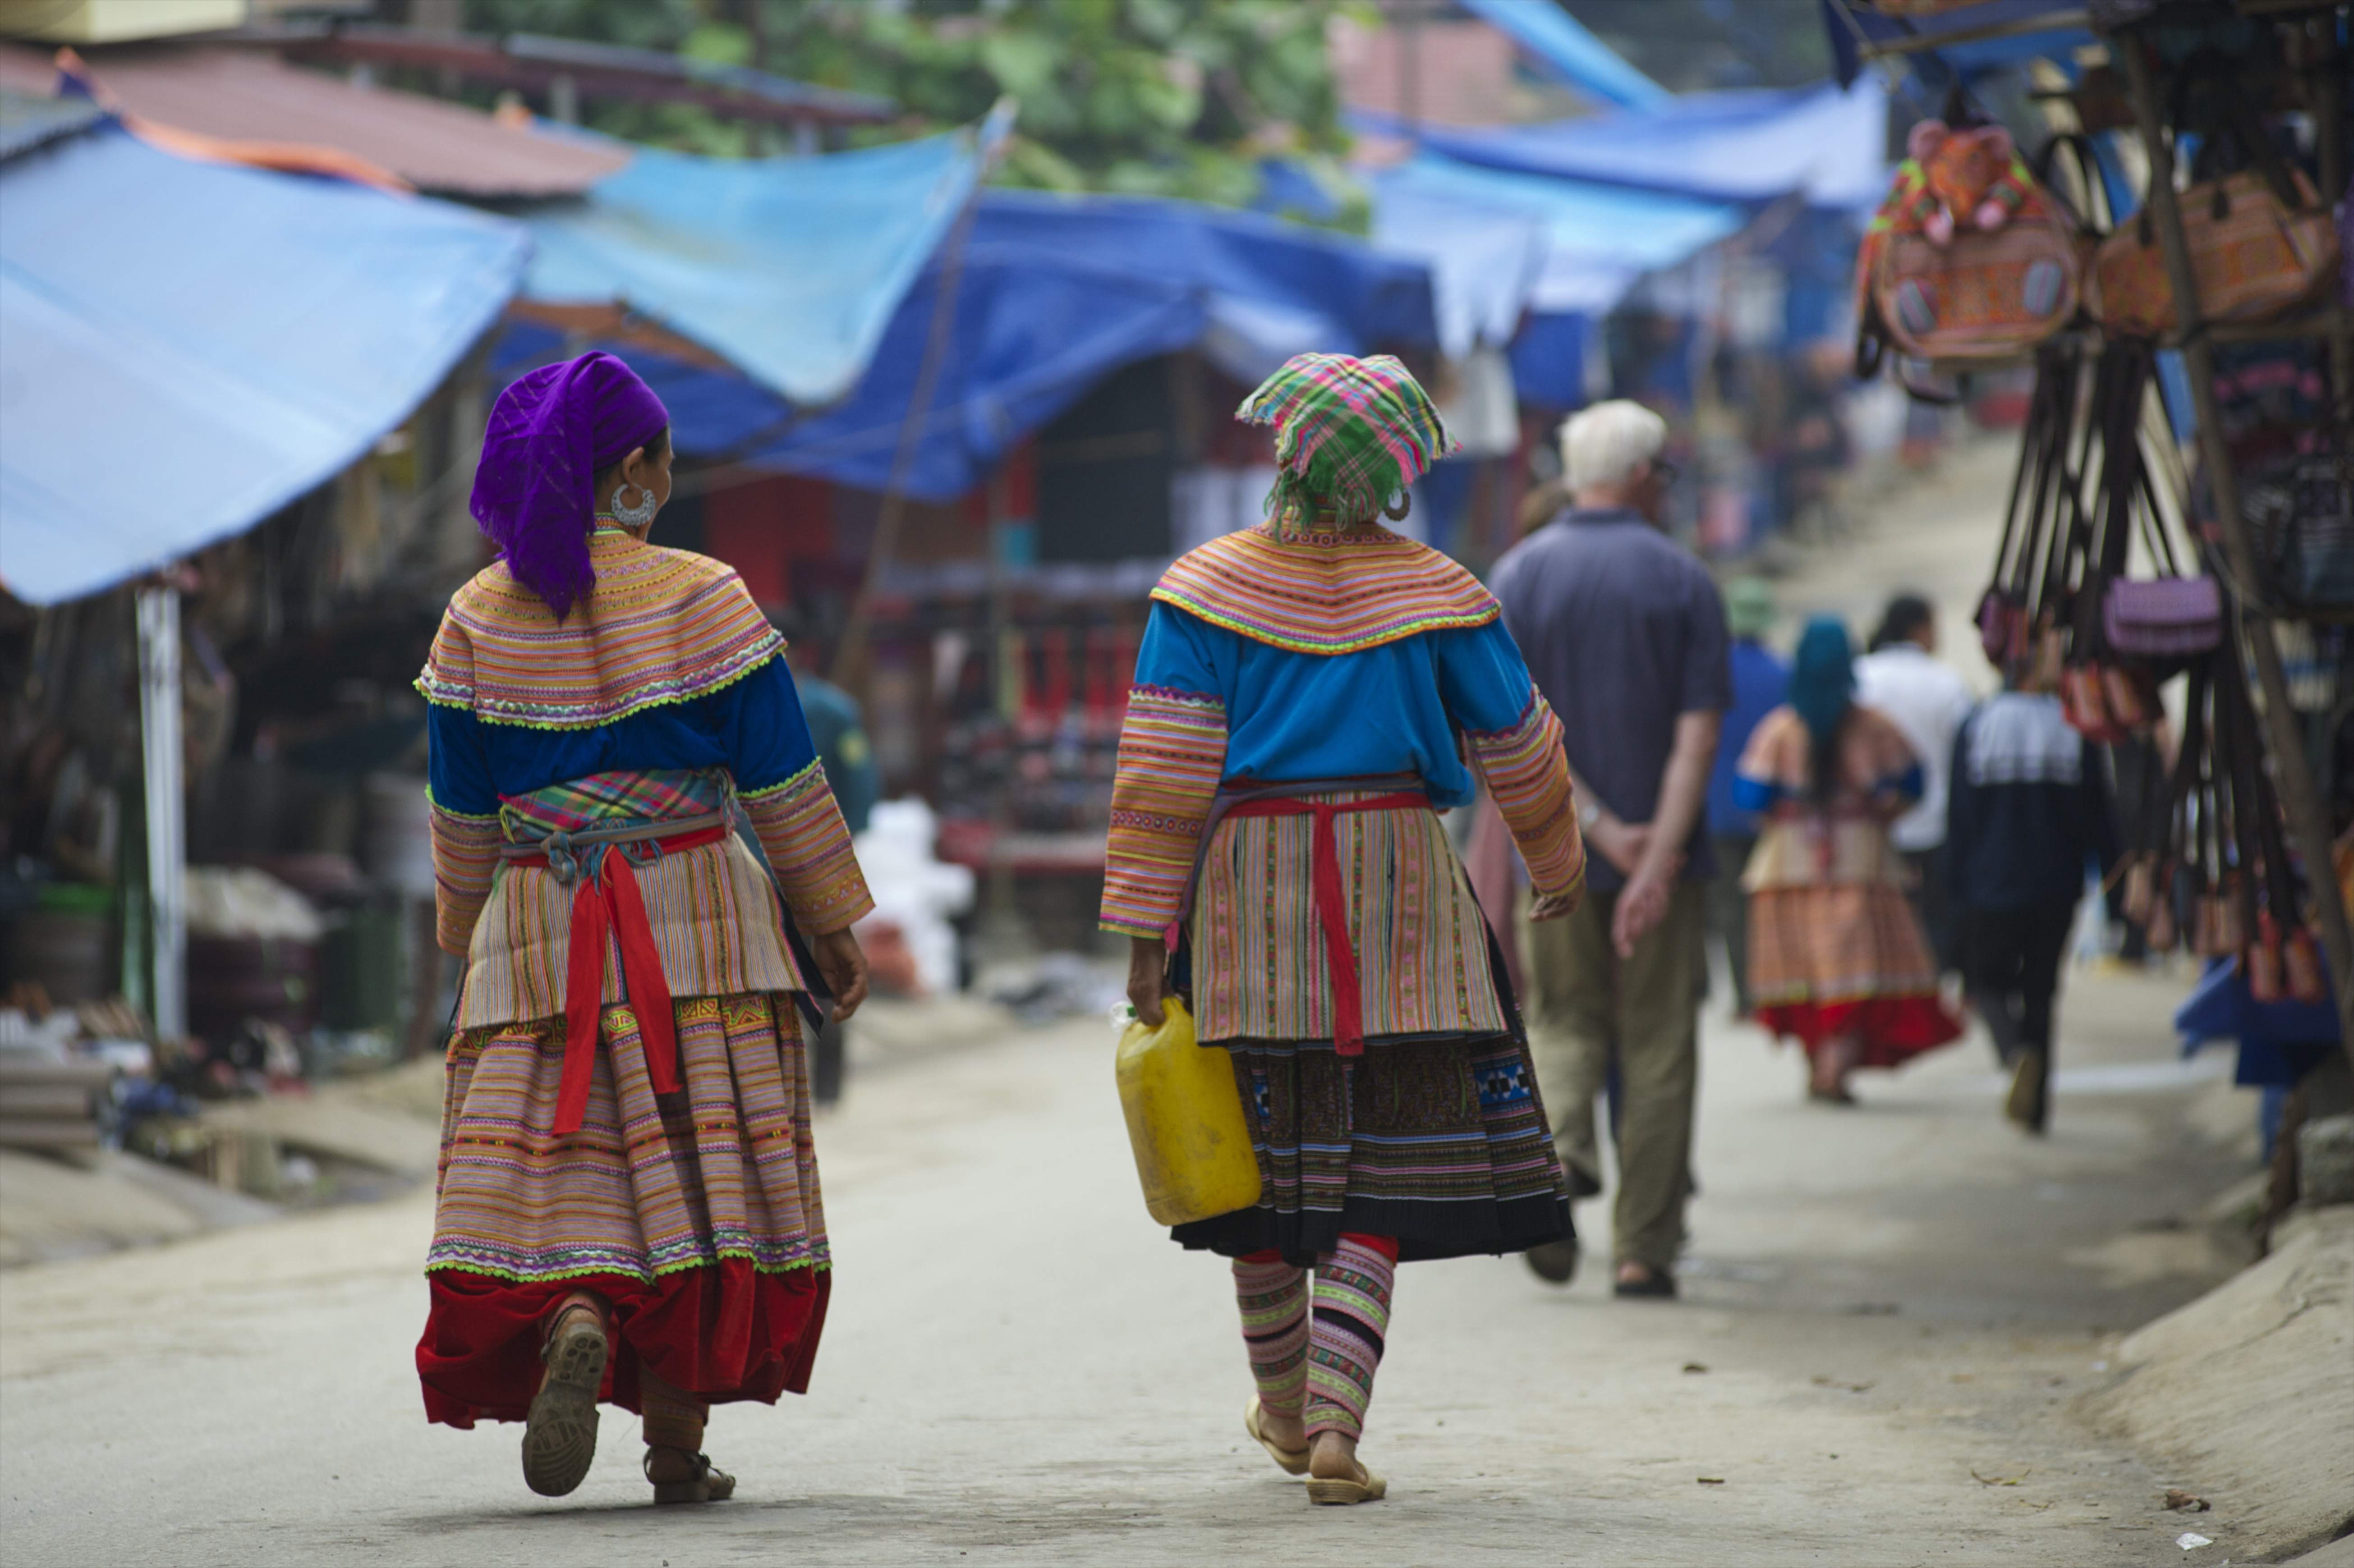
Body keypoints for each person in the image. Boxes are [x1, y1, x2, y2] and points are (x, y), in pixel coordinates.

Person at [1104, 354, 1586, 1506]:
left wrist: (1138, 931)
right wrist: (1553, 864)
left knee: (1253, 1167)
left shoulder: (1202, 588)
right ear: (1391, 473)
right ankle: (1332, 1428)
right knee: (1384, 1168)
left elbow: (1163, 773)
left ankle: (1279, 1404)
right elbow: (1518, 742)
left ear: (1286, 454)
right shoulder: (1438, 591)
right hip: (1401, 885)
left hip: (1245, 892)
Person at [412, 353, 874, 1505]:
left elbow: (461, 814)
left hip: (538, 923)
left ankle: (572, 1305)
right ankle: (675, 1445)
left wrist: (471, 936)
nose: (669, 478)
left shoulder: (475, 616)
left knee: (573, 1169)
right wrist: (829, 922)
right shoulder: (707, 594)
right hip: (699, 918)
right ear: (630, 469)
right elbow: (781, 781)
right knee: (697, 1166)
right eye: (664, 458)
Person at [1493, 399, 1729, 1301]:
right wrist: (1654, 855)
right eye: (1665, 475)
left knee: (1562, 1019)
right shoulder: (1683, 580)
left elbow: (1505, 735)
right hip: (1667, 864)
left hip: (1554, 852)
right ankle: (1644, 1250)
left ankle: (1554, 1171)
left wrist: (1594, 826)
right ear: (1640, 478)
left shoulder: (1514, 576)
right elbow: (1697, 739)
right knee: (1661, 1042)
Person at [1735, 618, 1962, 1102]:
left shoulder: (1780, 729)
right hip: (1863, 864)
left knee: (1807, 975)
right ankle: (1835, 1068)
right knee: (1854, 972)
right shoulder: (1875, 727)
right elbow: (1914, 784)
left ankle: (1821, 1065)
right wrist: (1882, 812)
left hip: (1786, 870)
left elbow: (1751, 798)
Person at [1946, 667, 2120, 1132]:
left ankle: (2014, 1053)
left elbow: (1960, 818)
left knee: (1988, 979)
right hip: (2056, 884)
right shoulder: (2073, 726)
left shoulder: (1979, 723)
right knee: (2042, 991)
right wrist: (2115, 891)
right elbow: (2099, 816)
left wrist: (1954, 890)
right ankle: (2037, 1108)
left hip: (1992, 883)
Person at [775, 616, 879, 1105]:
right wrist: (844, 848)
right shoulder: (836, 709)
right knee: (828, 967)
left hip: (754, 861)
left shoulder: (744, 704)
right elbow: (859, 783)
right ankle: (829, 1089)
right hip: (817, 860)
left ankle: (779, 1090)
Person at [1853, 593, 1974, 975]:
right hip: (1938, 820)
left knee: (1881, 917)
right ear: (1920, 629)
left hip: (1874, 822)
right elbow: (1969, 753)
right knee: (1937, 913)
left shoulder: (1860, 676)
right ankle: (1934, 983)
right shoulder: (1948, 682)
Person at [1704, 578, 1790, 1017]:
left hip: (1716, 809)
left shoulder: (1708, 672)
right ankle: (1779, 986)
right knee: (1773, 901)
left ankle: (1745, 996)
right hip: (1771, 809)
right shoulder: (1783, 674)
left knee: (1729, 906)